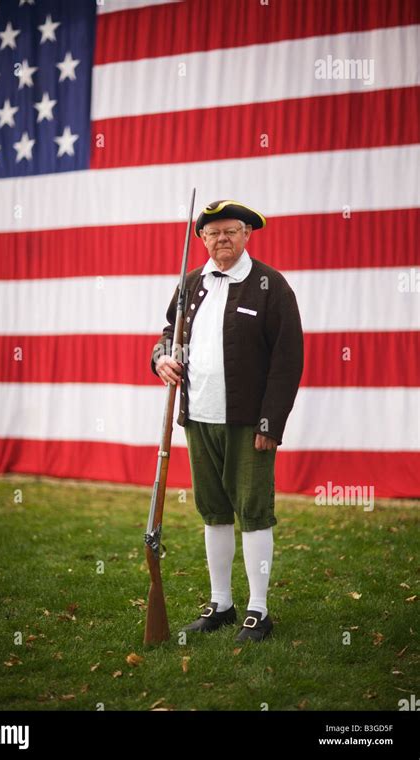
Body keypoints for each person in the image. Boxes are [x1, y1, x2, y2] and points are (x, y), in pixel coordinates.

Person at [150, 200, 304, 642]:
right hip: (198, 419)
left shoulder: (270, 286)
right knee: (213, 512)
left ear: (247, 235)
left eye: (232, 231)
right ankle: (222, 603)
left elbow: (287, 360)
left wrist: (271, 423)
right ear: (202, 239)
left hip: (248, 423)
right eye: (214, 232)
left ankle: (259, 609)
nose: (223, 239)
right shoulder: (191, 284)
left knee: (254, 514)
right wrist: (162, 358)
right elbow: (168, 334)